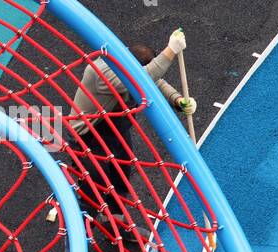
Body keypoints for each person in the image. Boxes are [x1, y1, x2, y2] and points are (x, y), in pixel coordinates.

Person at [55, 28, 196, 221]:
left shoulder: (129, 65)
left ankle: (116, 222)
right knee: (93, 189)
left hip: (115, 129)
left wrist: (177, 99)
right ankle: (78, 238)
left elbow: (156, 80)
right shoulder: (103, 73)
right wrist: (170, 51)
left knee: (120, 177)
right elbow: (143, 77)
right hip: (89, 137)